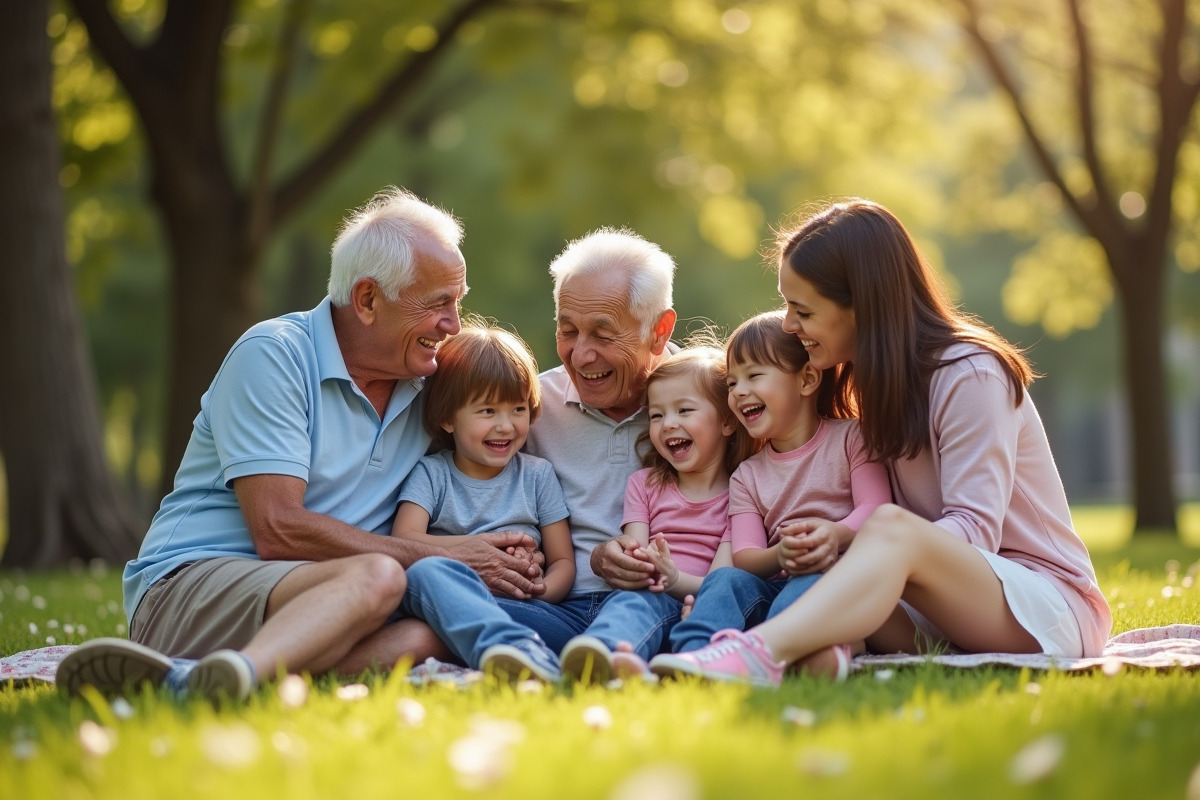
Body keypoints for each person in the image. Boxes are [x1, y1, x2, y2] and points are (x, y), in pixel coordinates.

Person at [57, 187, 545, 701]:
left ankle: (225, 677)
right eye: (438, 304)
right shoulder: (274, 356)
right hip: (190, 590)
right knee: (382, 576)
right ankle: (204, 682)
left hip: (329, 599)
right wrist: (444, 560)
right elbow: (278, 530)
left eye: (458, 302)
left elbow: (517, 411)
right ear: (367, 300)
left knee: (425, 638)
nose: (454, 324)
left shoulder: (430, 385)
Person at [649, 199, 1112, 686]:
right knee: (824, 588)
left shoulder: (969, 372)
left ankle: (758, 653)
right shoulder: (867, 382)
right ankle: (803, 651)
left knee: (890, 527)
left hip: (1041, 609)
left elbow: (976, 532)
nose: (788, 324)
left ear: (861, 305)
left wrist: (855, 539)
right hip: (937, 610)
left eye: (802, 309)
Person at [650, 311, 891, 683]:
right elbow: (745, 558)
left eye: (754, 375)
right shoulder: (747, 474)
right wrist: (781, 554)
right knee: (726, 579)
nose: (738, 391)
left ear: (807, 379)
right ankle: (692, 655)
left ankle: (785, 651)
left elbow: (876, 509)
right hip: (777, 584)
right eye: (731, 382)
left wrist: (833, 535)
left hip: (842, 580)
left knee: (812, 581)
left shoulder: (851, 439)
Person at [494, 227, 679, 653]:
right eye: (568, 331)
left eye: (602, 333)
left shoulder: (707, 404)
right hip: (558, 609)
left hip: (664, 606)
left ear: (659, 329)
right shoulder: (529, 408)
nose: (581, 356)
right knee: (446, 597)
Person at [383, 321, 575, 683]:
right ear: (447, 418)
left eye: (517, 409)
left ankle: (519, 653)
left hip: (525, 611)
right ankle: (517, 656)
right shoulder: (432, 474)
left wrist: (538, 589)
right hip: (450, 604)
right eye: (487, 411)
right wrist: (476, 552)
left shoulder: (537, 475)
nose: (506, 425)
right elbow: (403, 541)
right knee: (424, 572)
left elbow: (563, 559)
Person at [557, 344, 757, 684]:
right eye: (657, 415)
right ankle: (603, 654)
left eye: (684, 410)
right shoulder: (644, 484)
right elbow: (638, 553)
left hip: (704, 606)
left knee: (711, 602)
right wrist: (638, 566)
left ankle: (684, 663)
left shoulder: (744, 490)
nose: (668, 425)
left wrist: (675, 580)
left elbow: (722, 580)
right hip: (650, 594)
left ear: (726, 420)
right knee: (633, 602)